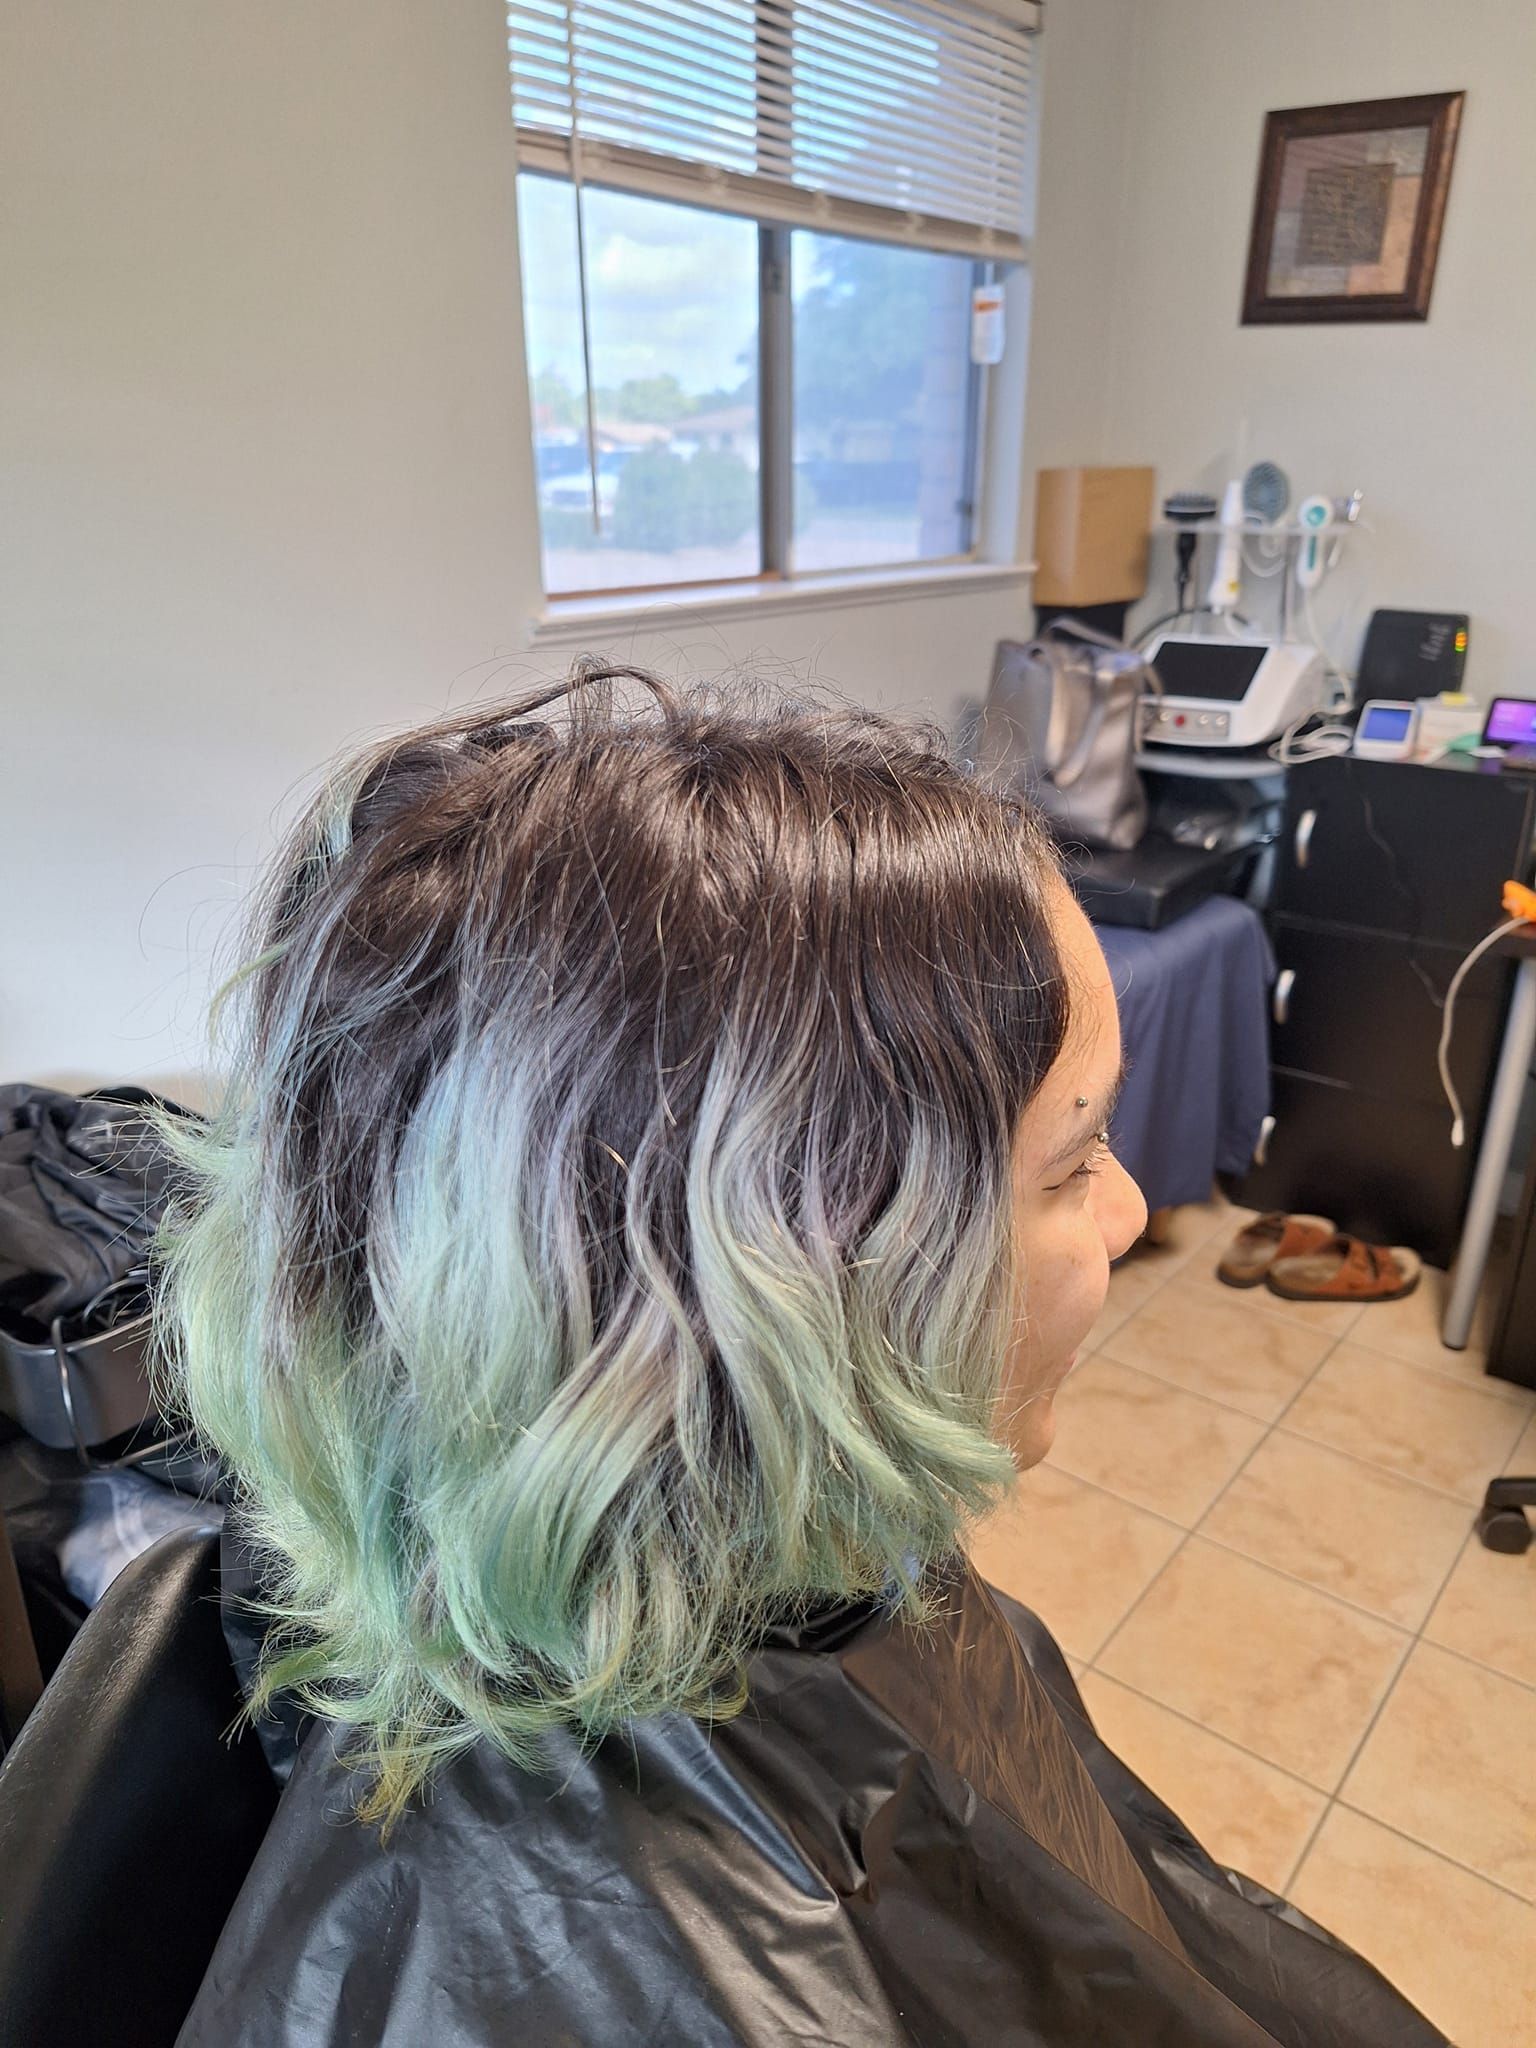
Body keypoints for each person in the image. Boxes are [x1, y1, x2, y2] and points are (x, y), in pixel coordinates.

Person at [163, 666, 1441, 2047]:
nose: (1133, 1215)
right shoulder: (593, 1971)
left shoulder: (797, 1567)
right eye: (1073, 1165)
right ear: (787, 1306)